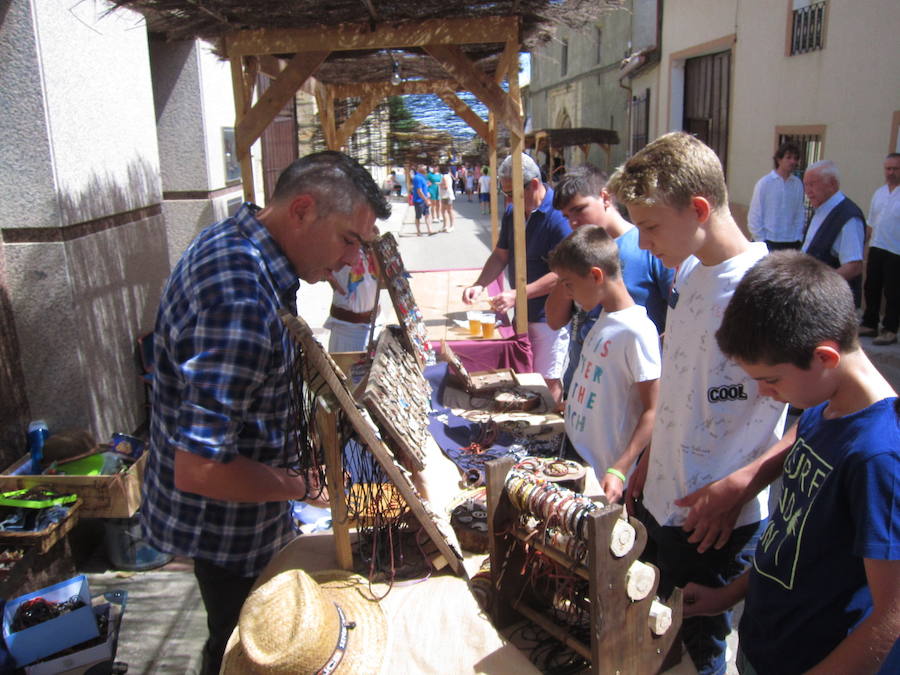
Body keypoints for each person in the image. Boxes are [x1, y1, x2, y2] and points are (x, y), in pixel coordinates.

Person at [141, 150, 390, 675]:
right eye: (350, 240)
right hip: (229, 533)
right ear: (301, 210)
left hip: (245, 517)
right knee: (245, 649)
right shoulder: (240, 299)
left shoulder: (243, 238)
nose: (353, 263)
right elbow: (200, 468)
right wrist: (303, 487)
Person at [607, 132, 788, 675]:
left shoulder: (770, 289)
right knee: (659, 637)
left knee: (701, 654)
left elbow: (828, 416)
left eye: (651, 226)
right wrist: (647, 459)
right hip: (664, 501)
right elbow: (682, 385)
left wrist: (743, 485)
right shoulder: (688, 271)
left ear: (700, 209)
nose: (642, 243)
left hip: (717, 524)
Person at [683, 251, 899, 675]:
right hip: (766, 648)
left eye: (772, 379)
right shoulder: (823, 411)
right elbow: (790, 542)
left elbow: (890, 617)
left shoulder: (879, 458)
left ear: (825, 357)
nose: (764, 393)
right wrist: (726, 597)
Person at [548, 226, 660, 503]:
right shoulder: (605, 317)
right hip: (577, 459)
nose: (568, 293)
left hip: (603, 478)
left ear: (596, 276)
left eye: (569, 284)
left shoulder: (636, 331)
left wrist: (620, 469)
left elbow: (654, 410)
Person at [545, 165, 673, 392]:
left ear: (604, 197)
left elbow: (676, 323)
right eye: (567, 216)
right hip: (581, 382)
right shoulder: (577, 251)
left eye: (579, 209)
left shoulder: (649, 248)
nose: (573, 222)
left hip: (625, 393)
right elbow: (555, 321)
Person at [462, 153, 572, 402]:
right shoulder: (513, 212)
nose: (508, 200)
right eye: (505, 193)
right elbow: (501, 255)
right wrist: (479, 284)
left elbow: (564, 273)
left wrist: (517, 294)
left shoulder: (558, 216)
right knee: (525, 374)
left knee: (547, 379)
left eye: (512, 193)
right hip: (522, 312)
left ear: (534, 184)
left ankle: (550, 434)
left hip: (549, 318)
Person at [801, 159, 866, 306]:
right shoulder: (821, 208)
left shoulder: (848, 217)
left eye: (812, 184)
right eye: (805, 185)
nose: (808, 191)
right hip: (812, 295)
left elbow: (854, 266)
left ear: (832, 184)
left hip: (831, 301)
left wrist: (821, 286)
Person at [860, 152, 900, 346]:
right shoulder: (880, 193)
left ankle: (890, 329)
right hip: (877, 246)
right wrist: (865, 245)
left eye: (895, 169)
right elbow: (871, 222)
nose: (891, 172)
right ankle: (870, 323)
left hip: (896, 251)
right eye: (888, 168)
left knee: (893, 292)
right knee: (871, 287)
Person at [747, 141, 806, 250]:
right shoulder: (765, 183)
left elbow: (799, 212)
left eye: (795, 158)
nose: (792, 161)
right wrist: (761, 241)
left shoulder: (797, 184)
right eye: (788, 157)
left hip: (791, 242)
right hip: (768, 241)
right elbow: (755, 215)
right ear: (779, 159)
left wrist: (799, 237)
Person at [325, 244, 382, 352]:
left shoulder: (369, 240)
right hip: (347, 331)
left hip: (374, 325)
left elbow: (382, 277)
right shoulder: (337, 237)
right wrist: (328, 276)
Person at [411, 164, 433, 236]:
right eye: (424, 168)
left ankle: (430, 230)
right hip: (419, 200)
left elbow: (424, 187)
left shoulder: (423, 177)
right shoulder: (417, 178)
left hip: (424, 198)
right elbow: (419, 191)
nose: (426, 169)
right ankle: (418, 231)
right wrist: (426, 200)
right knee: (418, 216)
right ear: (419, 168)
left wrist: (427, 193)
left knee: (427, 214)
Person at [438, 165, 456, 233]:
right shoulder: (448, 176)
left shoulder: (444, 177)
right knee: (444, 211)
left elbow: (445, 186)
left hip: (447, 195)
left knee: (448, 211)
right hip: (446, 195)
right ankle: (446, 226)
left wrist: (439, 184)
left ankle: (450, 226)